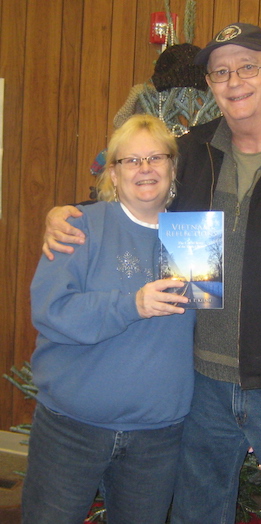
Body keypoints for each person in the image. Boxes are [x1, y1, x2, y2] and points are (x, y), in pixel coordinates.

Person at [42, 23, 261, 524]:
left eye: (249, 66)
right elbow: (135, 194)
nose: (234, 80)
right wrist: (66, 213)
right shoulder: (193, 153)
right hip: (200, 388)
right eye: (220, 71)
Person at [23, 114, 196, 524]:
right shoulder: (80, 226)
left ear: (172, 168)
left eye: (156, 157)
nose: (145, 168)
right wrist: (130, 305)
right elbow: (51, 311)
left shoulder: (194, 235)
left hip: (158, 436)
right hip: (72, 428)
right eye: (131, 161)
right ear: (113, 175)